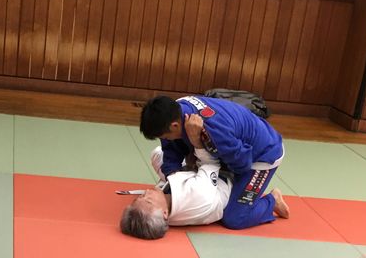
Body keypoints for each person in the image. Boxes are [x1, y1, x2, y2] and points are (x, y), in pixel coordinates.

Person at [122, 94, 290, 240]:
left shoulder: (212, 130)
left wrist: (198, 147)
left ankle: (272, 201)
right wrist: (175, 177)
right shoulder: (173, 111)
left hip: (262, 155)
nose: (165, 139)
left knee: (234, 218)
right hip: (230, 149)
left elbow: (242, 165)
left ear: (174, 126)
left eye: (165, 136)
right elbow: (170, 152)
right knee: (170, 153)